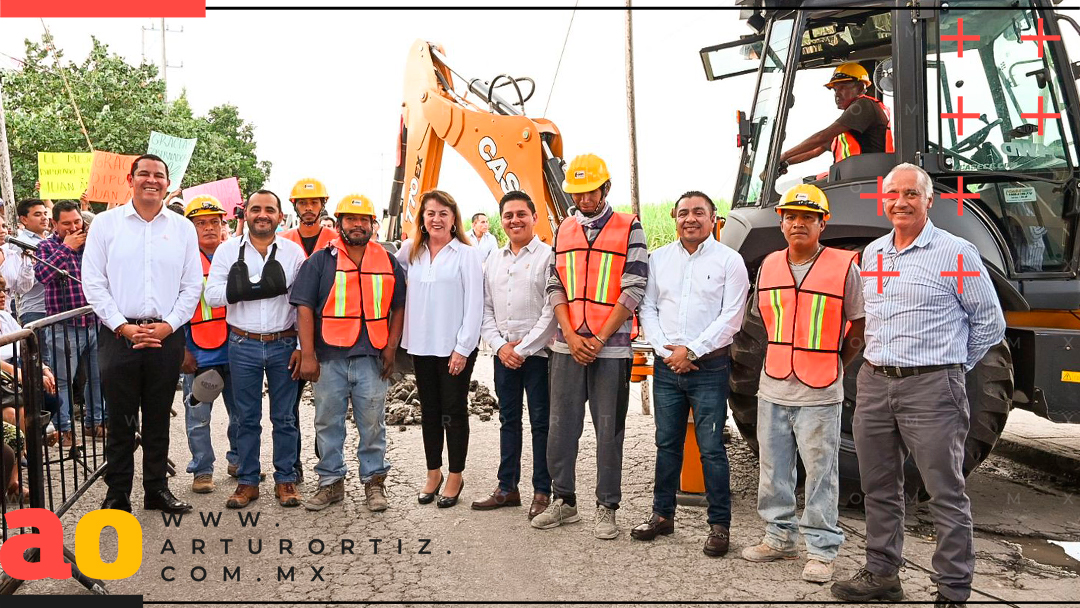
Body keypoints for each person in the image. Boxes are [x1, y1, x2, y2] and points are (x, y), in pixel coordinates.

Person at [832, 164, 1005, 606]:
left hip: (931, 387)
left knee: (944, 493)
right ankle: (882, 573)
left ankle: (952, 590)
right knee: (878, 487)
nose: (900, 202)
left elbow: (989, 323)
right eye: (892, 194)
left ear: (929, 201)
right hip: (873, 384)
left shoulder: (957, 254)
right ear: (883, 200)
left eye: (911, 193)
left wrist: (948, 369)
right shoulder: (873, 254)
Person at [740, 184, 864, 582]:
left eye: (808, 217)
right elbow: (765, 320)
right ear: (781, 223)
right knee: (773, 469)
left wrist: (833, 365)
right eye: (791, 217)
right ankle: (779, 537)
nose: (798, 223)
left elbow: (859, 328)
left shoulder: (844, 266)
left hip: (821, 388)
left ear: (822, 223)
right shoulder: (770, 265)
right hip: (773, 384)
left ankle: (822, 550)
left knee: (820, 473)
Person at [531, 153, 648, 540]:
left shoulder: (629, 226)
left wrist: (597, 339)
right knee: (561, 427)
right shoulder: (563, 230)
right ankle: (564, 502)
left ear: (606, 189)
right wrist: (572, 335)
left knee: (608, 430)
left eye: (590, 191)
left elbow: (634, 288)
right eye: (577, 193)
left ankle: (606, 507)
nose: (583, 199)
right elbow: (555, 286)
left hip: (610, 349)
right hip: (568, 347)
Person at [82, 153, 203, 514]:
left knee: (156, 418)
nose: (152, 180)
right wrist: (122, 325)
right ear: (130, 180)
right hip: (118, 335)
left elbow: (191, 285)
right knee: (119, 419)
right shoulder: (106, 225)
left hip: (166, 336)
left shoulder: (182, 228)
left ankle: (156, 490)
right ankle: (117, 494)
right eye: (144, 174)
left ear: (168, 183)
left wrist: (168, 326)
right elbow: (94, 282)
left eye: (159, 175)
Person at [634, 191, 748, 556]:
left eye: (699, 212)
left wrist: (692, 351)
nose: (691, 219)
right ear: (674, 217)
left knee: (712, 448)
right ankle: (662, 515)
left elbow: (732, 316)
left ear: (714, 217)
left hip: (710, 367)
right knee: (667, 444)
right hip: (667, 367)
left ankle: (719, 525)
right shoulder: (659, 259)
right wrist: (667, 350)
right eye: (683, 213)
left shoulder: (730, 261)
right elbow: (647, 308)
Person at [292, 194, 406, 512]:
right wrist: (309, 354)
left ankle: (374, 484)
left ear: (373, 224)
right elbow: (303, 308)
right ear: (340, 222)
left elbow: (398, 307)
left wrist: (391, 348)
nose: (357, 225)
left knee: (372, 424)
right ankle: (331, 484)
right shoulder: (320, 260)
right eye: (351, 219)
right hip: (329, 358)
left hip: (372, 358)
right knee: (328, 423)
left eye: (363, 220)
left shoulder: (387, 260)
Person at [204, 190, 306, 509]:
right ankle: (247, 481)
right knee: (245, 417)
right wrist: (246, 288)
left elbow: (304, 304)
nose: (263, 214)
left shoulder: (293, 253)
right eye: (256, 209)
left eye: (269, 210)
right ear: (245, 213)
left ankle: (286, 479)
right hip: (242, 342)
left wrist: (303, 346)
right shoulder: (227, 251)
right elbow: (212, 296)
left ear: (279, 215)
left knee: (285, 417)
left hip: (284, 343)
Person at [472, 191, 557, 519]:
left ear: (534, 217)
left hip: (539, 356)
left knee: (540, 423)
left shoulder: (548, 256)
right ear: (501, 220)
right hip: (504, 355)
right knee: (508, 420)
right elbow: (486, 307)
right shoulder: (494, 259)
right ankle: (507, 488)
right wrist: (500, 346)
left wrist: (521, 348)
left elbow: (552, 310)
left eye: (521, 214)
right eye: (508, 215)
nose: (515, 220)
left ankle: (541, 490)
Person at [397, 190, 483, 509]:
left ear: (453, 219)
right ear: (422, 219)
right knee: (429, 411)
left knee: (454, 411)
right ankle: (433, 472)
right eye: (431, 213)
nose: (436, 219)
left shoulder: (466, 254)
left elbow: (475, 304)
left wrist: (463, 348)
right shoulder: (411, 252)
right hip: (421, 346)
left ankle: (455, 475)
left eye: (443, 213)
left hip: (454, 348)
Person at [180, 195, 240, 494]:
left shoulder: (235, 257)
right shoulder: (182, 262)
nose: (208, 228)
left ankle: (238, 460)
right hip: (200, 354)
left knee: (241, 413)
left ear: (223, 225)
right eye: (200, 223)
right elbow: (172, 309)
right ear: (190, 228)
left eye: (214, 222)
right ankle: (202, 470)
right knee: (198, 417)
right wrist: (183, 350)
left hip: (238, 351)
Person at [35, 199, 105, 448]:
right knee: (63, 380)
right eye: (66, 223)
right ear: (55, 223)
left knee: (98, 377)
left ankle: (95, 422)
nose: (74, 227)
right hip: (63, 327)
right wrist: (66, 248)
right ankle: (65, 429)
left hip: (94, 321)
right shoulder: (45, 247)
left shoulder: (92, 245)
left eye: (77, 221)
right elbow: (43, 276)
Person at [280, 177, 336, 484]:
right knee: (289, 405)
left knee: (327, 403)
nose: (309, 208)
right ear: (295, 206)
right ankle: (292, 464)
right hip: (291, 334)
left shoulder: (335, 241)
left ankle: (325, 458)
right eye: (303, 203)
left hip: (328, 334)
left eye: (314, 202)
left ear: (322, 205)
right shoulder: (285, 240)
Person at [778, 63, 894, 171]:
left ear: (859, 88)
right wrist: (786, 162)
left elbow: (822, 137)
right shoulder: (849, 127)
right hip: (855, 176)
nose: (837, 94)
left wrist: (783, 155)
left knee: (800, 191)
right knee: (800, 187)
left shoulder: (863, 105)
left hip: (864, 177)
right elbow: (815, 150)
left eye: (843, 87)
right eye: (835, 89)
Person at [15, 199, 50, 326]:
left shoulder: (51, 239)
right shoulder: (20, 243)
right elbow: (21, 284)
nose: (44, 218)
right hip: (36, 310)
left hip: (56, 308)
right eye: (37, 214)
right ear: (24, 219)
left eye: (45, 213)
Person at [0, 215, 37, 315]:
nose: (2, 231)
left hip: (5, 317)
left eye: (3, 226)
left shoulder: (11, 256)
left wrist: (27, 265)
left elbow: (22, 288)